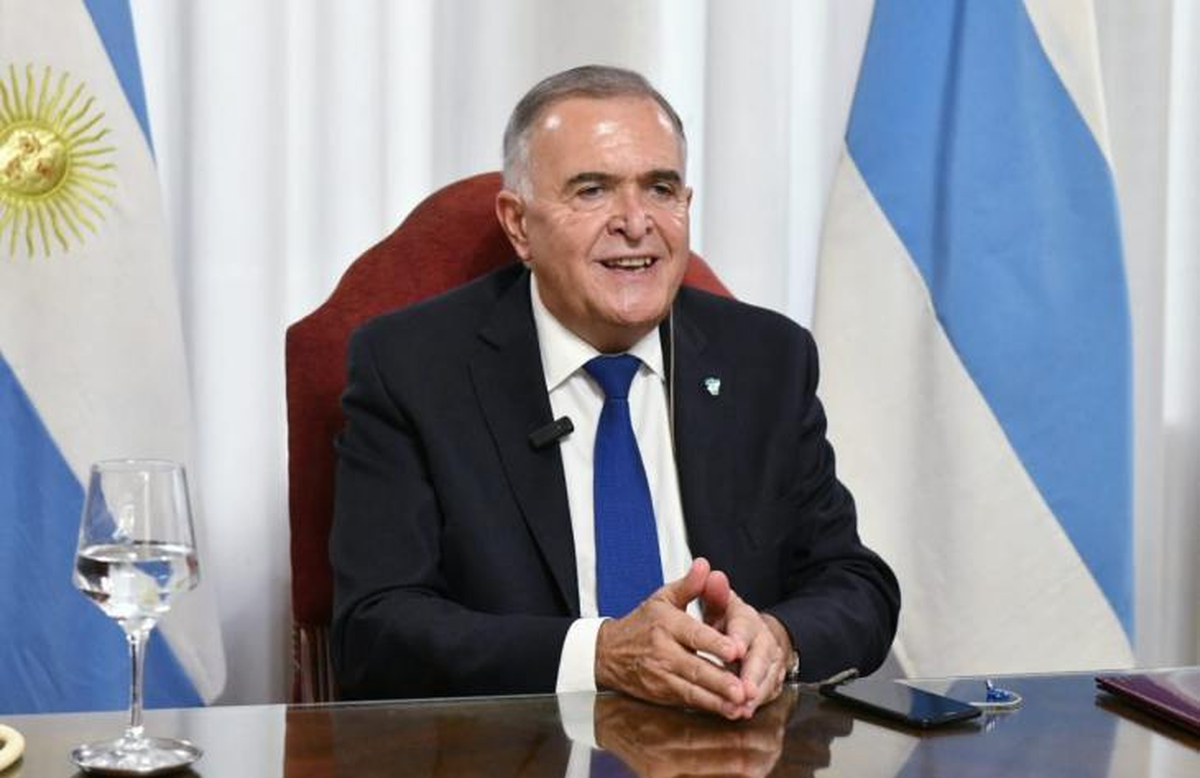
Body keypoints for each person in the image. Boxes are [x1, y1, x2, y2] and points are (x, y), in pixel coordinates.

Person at [330, 65, 899, 720]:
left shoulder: (766, 361)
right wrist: (598, 654)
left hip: (732, 742)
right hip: (520, 752)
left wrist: (781, 637)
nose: (635, 222)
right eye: (593, 190)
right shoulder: (412, 369)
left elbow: (856, 584)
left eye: (660, 188)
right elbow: (375, 629)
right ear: (519, 225)